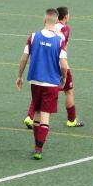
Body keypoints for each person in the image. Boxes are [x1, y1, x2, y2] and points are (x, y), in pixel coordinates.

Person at [16, 9, 68, 160]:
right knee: (45, 115)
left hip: (35, 81)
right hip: (51, 82)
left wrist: (19, 76)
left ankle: (35, 146)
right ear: (56, 21)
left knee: (37, 112)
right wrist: (63, 77)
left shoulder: (33, 36)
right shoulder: (59, 40)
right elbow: (63, 64)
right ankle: (39, 148)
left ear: (44, 20)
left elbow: (24, 58)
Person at [24, 7, 84, 128]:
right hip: (60, 65)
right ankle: (71, 120)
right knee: (69, 91)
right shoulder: (65, 28)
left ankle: (30, 117)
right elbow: (62, 43)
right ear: (66, 17)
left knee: (40, 89)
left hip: (45, 65)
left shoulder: (49, 26)